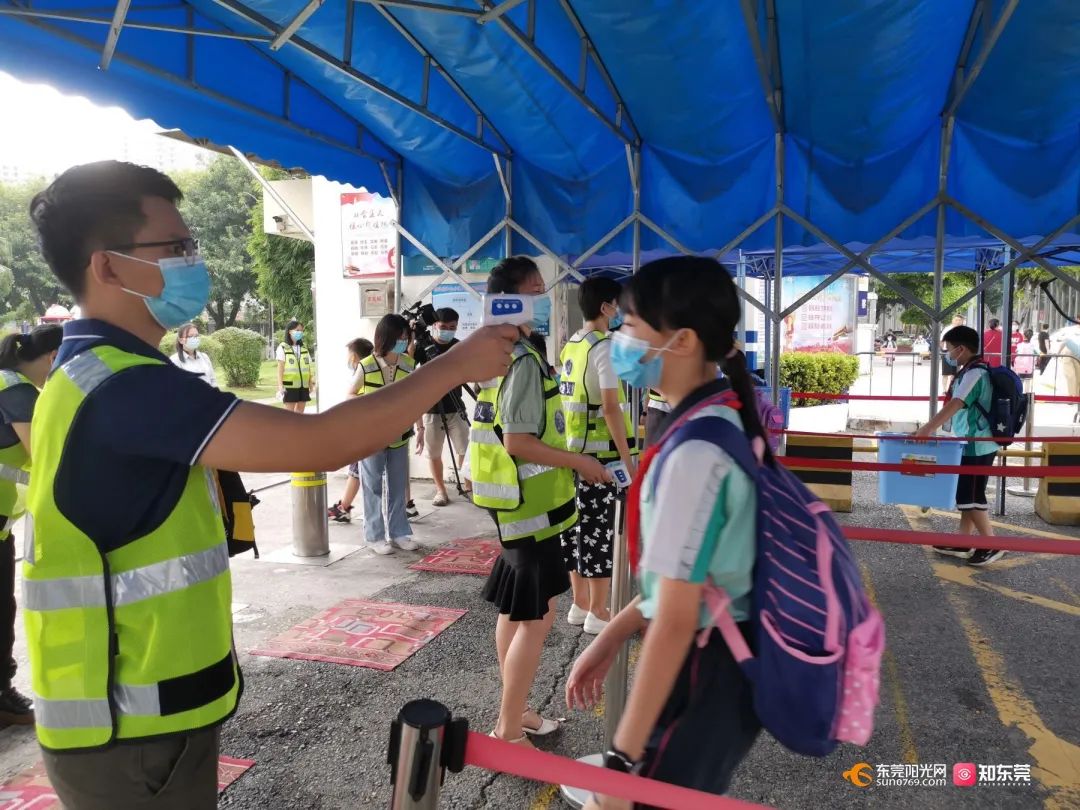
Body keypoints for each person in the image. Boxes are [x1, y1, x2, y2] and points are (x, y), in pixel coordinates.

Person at [24, 160, 517, 809]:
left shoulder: (102, 372)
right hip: (130, 732)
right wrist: (455, 363)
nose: (191, 261)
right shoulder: (124, 386)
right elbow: (322, 442)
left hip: (138, 717)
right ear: (108, 267)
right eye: (174, 248)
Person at [565, 256, 761, 806]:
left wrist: (620, 765)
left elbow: (677, 618)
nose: (619, 339)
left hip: (701, 667)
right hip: (719, 664)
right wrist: (611, 635)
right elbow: (692, 580)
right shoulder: (716, 418)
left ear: (681, 342)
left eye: (629, 325)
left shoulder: (694, 452)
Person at [472, 256, 609, 746]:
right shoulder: (523, 358)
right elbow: (517, 440)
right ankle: (510, 726)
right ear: (511, 297)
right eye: (534, 288)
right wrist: (579, 463)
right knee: (536, 615)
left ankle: (517, 710)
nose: (542, 295)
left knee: (516, 610)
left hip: (513, 502)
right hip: (529, 505)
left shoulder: (498, 351)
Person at [559, 277, 637, 635]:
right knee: (600, 532)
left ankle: (580, 604)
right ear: (606, 307)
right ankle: (599, 610)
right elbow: (610, 408)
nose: (620, 311)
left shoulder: (573, 344)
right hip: (603, 456)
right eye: (617, 305)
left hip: (574, 453)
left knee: (577, 529)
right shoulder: (604, 347)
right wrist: (628, 458)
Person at [0, 325, 62, 726]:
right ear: (53, 357)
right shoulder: (18, 392)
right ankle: (2, 698)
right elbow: (43, 457)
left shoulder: (9, 382)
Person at [916, 325, 1003, 566]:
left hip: (978, 444)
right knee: (967, 494)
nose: (948, 354)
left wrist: (927, 428)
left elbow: (955, 404)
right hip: (972, 442)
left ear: (961, 349)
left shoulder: (975, 374)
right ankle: (962, 541)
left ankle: (992, 545)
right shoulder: (972, 370)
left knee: (971, 494)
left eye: (950, 349)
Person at [356, 315, 419, 554]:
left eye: (406, 337)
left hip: (399, 436)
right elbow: (350, 395)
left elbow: (416, 398)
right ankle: (374, 536)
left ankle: (400, 532)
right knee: (372, 486)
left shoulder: (409, 365)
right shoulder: (366, 365)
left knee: (398, 485)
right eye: (400, 337)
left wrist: (419, 428)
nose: (404, 341)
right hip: (370, 437)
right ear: (386, 337)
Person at [414, 309, 471, 506]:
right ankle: (440, 491)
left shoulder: (459, 346)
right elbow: (407, 366)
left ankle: (468, 486)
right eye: (443, 327)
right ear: (434, 326)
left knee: (465, 448)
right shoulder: (423, 347)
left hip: (456, 406)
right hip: (431, 408)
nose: (448, 331)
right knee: (434, 452)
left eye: (452, 328)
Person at [328, 337, 375, 523]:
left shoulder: (363, 374)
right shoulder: (370, 370)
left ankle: (344, 508)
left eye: (350, 356)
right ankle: (344, 507)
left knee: (356, 471)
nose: (348, 359)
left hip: (365, 430)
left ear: (355, 357)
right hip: (365, 429)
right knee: (356, 470)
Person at [276, 318, 315, 412]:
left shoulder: (304, 349)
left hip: (303, 387)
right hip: (290, 387)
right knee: (289, 415)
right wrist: (280, 386)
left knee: (300, 413)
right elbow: (280, 369)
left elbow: (308, 368)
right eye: (297, 330)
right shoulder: (283, 348)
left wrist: (310, 383)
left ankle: (299, 427)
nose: (300, 333)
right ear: (290, 331)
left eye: (301, 331)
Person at [170, 322, 217, 387]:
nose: (194, 338)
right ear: (181, 340)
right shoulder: (174, 360)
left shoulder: (204, 357)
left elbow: (213, 380)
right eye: (190, 336)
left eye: (196, 336)